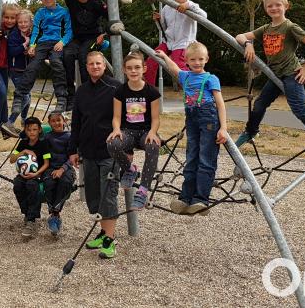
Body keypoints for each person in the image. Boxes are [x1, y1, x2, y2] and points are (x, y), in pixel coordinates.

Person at [234, 0, 305, 161]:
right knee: (260, 104)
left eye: (278, 5)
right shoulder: (266, 29)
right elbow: (239, 36)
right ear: (265, 9)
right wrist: (248, 44)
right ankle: (250, 132)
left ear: (286, 6)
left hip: (292, 74)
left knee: (299, 108)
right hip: (275, 75)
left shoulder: (290, 27)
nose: (274, 8)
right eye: (270, 6)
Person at [156, 42, 227, 214]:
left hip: (208, 121)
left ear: (206, 59)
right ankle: (185, 197)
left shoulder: (210, 78)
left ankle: (201, 199)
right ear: (187, 61)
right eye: (193, 59)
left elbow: (220, 104)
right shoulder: (185, 77)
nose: (197, 62)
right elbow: (173, 68)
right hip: (192, 121)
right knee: (191, 158)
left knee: (205, 159)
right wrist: (165, 56)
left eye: (200, 59)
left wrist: (223, 127)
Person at [68, 51, 122, 259]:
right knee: (95, 196)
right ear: (87, 67)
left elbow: (124, 119)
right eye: (91, 64)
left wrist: (125, 147)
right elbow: (76, 123)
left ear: (104, 65)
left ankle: (110, 240)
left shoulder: (115, 87)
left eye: (98, 63)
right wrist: (73, 149)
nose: (95, 66)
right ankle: (103, 232)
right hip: (88, 151)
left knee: (108, 196)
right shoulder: (81, 91)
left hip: (109, 150)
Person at [5, 0, 72, 132]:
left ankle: (61, 98)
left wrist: (62, 42)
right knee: (33, 66)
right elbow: (36, 30)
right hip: (42, 43)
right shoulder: (41, 13)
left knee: (56, 63)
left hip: (57, 42)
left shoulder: (64, 12)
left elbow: (69, 31)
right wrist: (33, 45)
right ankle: (19, 96)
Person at [106, 52, 161, 211]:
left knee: (153, 146)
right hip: (128, 131)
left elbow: (156, 118)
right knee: (112, 144)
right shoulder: (120, 91)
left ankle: (143, 190)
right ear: (124, 70)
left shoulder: (152, 92)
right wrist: (116, 129)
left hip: (145, 131)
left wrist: (153, 132)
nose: (134, 71)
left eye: (137, 67)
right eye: (129, 68)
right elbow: (116, 116)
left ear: (144, 68)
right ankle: (130, 169)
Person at [62, 0, 108, 111]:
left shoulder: (96, 3)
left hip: (93, 38)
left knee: (84, 56)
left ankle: (89, 94)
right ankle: (71, 96)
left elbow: (112, 17)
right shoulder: (72, 2)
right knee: (67, 55)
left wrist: (104, 34)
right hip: (77, 38)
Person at [144, 0, 207, 86]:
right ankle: (149, 91)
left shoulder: (191, 6)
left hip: (183, 44)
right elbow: (162, 29)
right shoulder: (167, 8)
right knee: (151, 61)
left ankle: (195, 89)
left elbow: (204, 17)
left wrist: (188, 6)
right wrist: (158, 20)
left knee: (178, 68)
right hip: (168, 42)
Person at [10, 117, 51, 238]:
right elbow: (12, 160)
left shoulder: (43, 144)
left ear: (39, 130)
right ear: (25, 131)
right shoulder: (23, 143)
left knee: (32, 186)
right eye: (29, 130)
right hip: (23, 174)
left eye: (35, 129)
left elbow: (46, 163)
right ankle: (27, 213)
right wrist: (24, 152)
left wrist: (36, 173)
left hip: (37, 174)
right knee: (17, 185)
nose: (32, 132)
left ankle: (32, 220)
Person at [42, 111, 74, 236]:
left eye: (58, 120)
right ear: (49, 123)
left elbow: (72, 157)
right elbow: (44, 154)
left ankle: (55, 214)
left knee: (65, 182)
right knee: (49, 183)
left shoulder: (69, 137)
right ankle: (54, 215)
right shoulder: (47, 137)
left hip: (66, 168)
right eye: (53, 121)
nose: (56, 123)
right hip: (50, 167)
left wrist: (62, 169)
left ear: (63, 121)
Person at [3, 8, 33, 137]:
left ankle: (24, 120)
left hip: (27, 70)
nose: (23, 24)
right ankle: (10, 122)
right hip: (16, 70)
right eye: (20, 22)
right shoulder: (15, 34)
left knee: (29, 96)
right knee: (24, 96)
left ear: (30, 23)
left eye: (25, 22)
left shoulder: (32, 34)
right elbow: (12, 52)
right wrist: (24, 46)